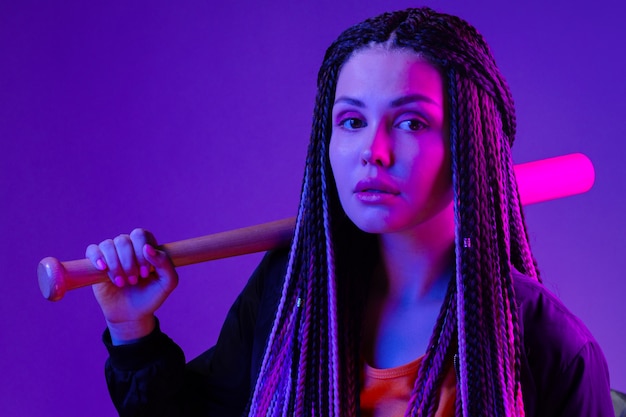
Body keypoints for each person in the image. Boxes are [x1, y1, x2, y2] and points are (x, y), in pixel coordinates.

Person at [86, 7, 613, 417]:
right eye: (352, 121)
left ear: (469, 144)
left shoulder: (551, 346)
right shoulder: (291, 293)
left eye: (410, 123)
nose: (373, 151)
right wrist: (132, 327)